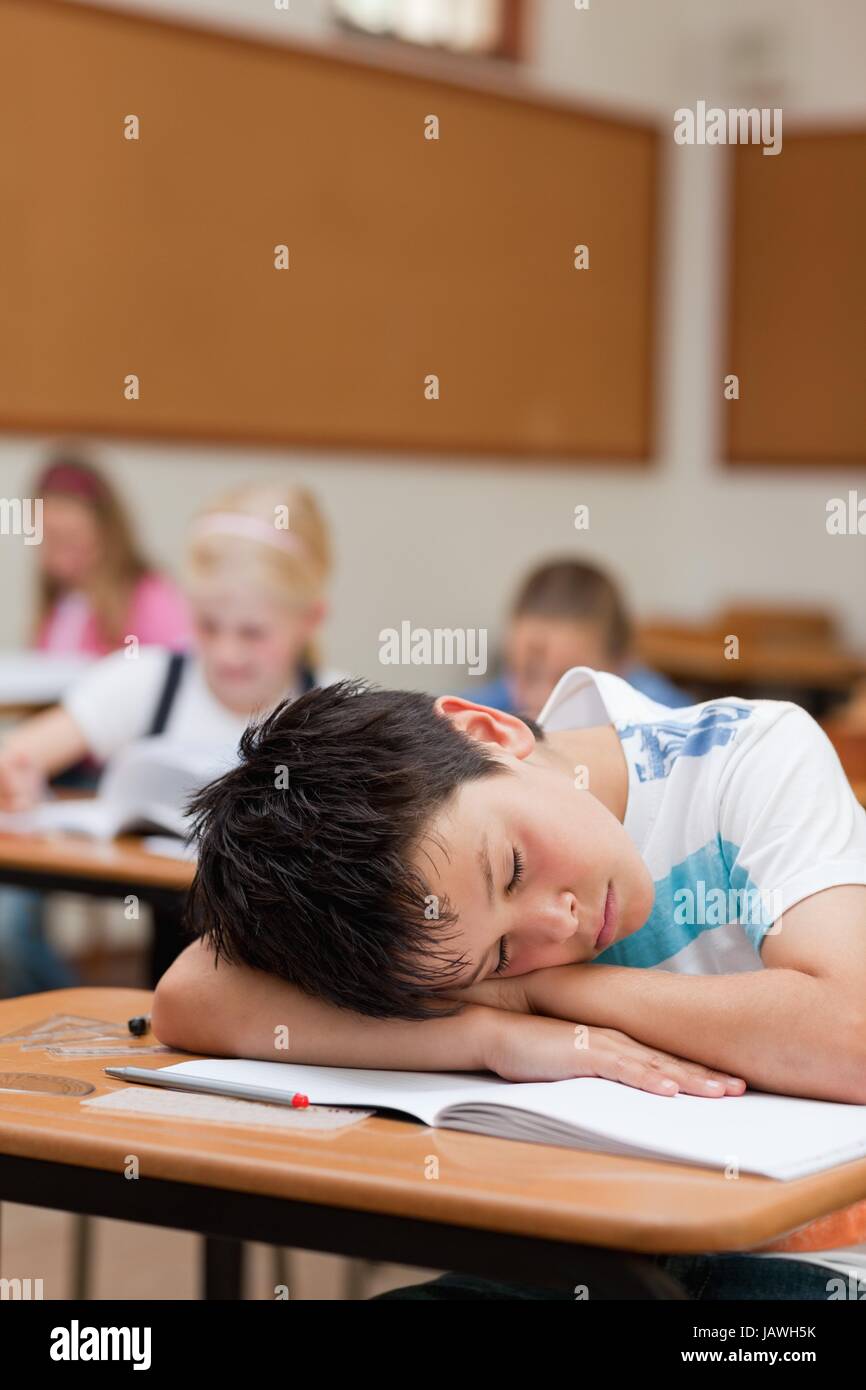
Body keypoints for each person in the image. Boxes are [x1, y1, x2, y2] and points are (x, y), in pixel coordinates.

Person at [153, 666, 866, 1299]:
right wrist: (490, 1033)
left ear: (488, 731)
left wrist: (547, 995)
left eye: (513, 869)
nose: (557, 927)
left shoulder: (747, 756)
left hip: (830, 1260)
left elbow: (852, 1031)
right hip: (601, 1254)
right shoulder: (451, 915)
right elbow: (190, 994)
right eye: (499, 956)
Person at [0, 481, 342, 995]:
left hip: (295, 988)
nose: (227, 652)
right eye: (207, 626)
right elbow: (21, 754)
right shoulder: (153, 680)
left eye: (253, 633)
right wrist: (17, 776)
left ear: (309, 619)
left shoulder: (336, 709)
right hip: (167, 989)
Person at [466, 558, 690, 718]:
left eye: (568, 680)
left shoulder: (667, 719)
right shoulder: (498, 702)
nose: (540, 701)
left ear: (622, 664)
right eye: (528, 675)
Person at [32, 450, 190, 657]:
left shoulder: (147, 597)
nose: (57, 555)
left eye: (68, 538)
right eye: (49, 540)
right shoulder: (59, 610)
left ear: (105, 528)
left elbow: (179, 663)